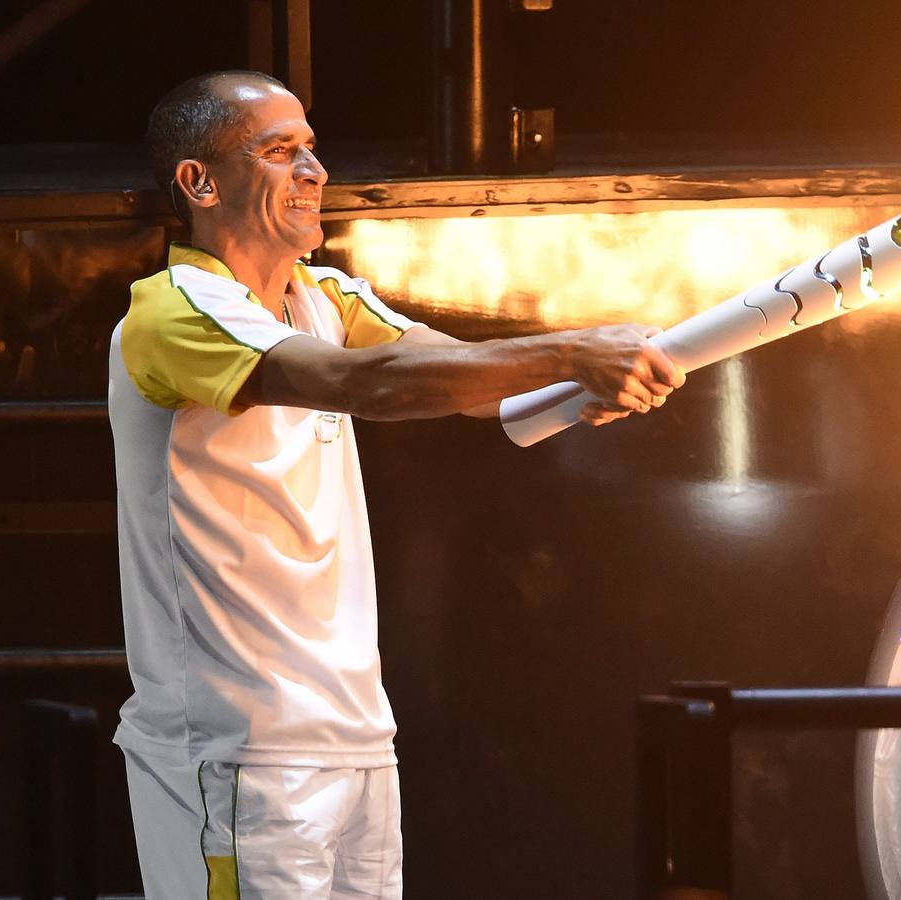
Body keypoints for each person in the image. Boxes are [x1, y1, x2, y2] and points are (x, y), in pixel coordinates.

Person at [108, 69, 685, 899]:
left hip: (356, 740)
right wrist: (571, 354)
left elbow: (466, 381)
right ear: (199, 182)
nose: (314, 172)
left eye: (312, 149)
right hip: (238, 750)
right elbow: (367, 385)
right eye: (279, 152)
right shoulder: (174, 311)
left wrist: (575, 387)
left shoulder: (323, 297)